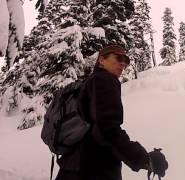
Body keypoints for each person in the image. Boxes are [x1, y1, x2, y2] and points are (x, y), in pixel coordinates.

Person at [55, 45, 168, 180]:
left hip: (73, 166)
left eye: (126, 61)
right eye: (119, 58)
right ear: (102, 60)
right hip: (94, 169)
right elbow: (107, 130)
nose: (123, 64)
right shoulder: (104, 80)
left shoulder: (90, 82)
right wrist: (144, 159)